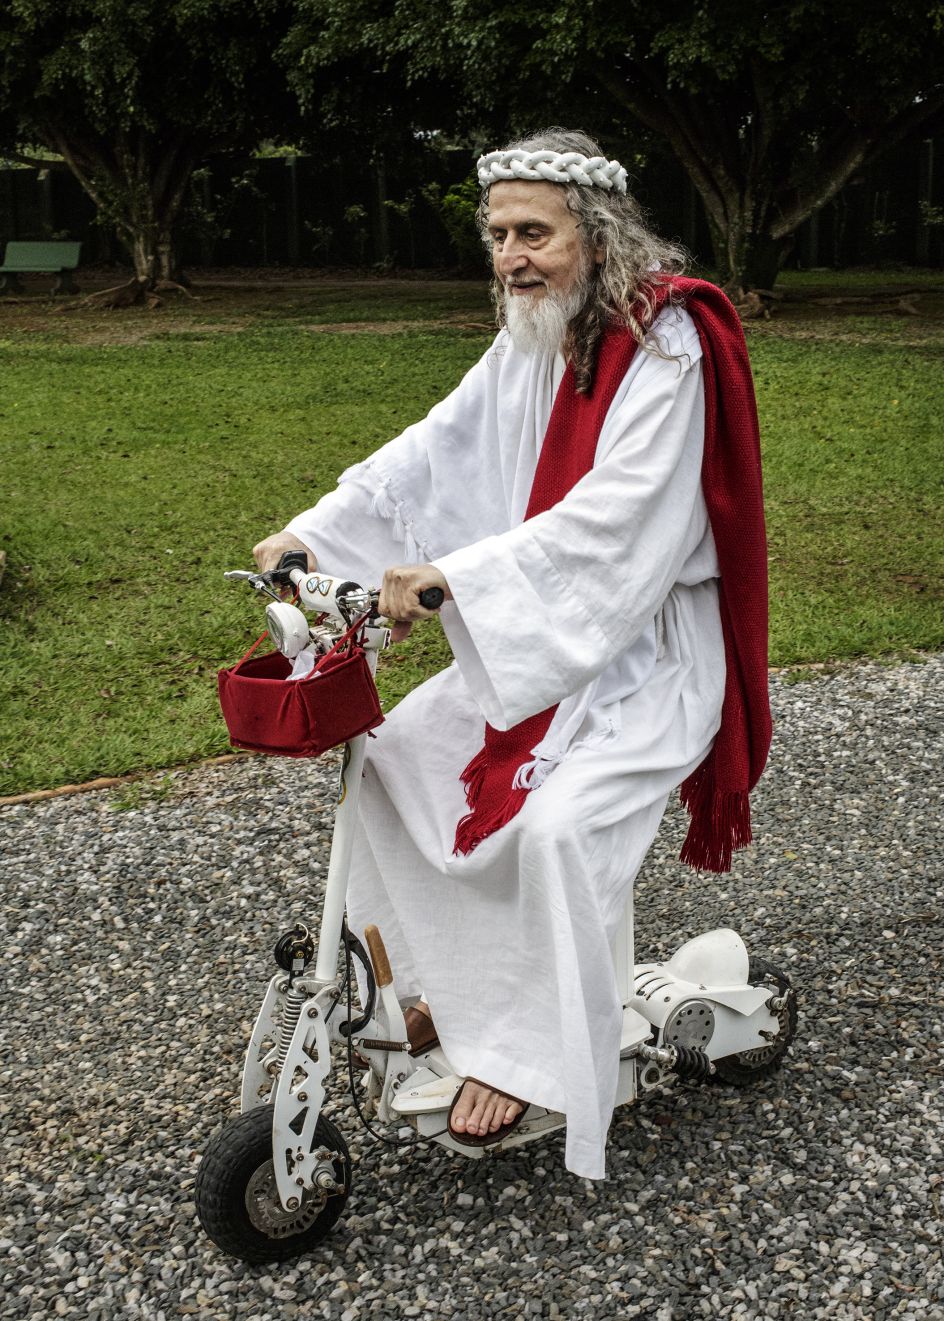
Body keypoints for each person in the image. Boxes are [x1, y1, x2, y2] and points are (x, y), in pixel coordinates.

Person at [253, 128, 770, 1180]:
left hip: (646, 661)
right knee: (391, 762)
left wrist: (457, 578)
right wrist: (311, 535)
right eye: (497, 235)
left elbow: (620, 522)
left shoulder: (664, 346)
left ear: (598, 236)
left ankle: (532, 1057)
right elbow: (433, 450)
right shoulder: (536, 337)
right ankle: (443, 995)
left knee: (558, 831)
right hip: (536, 641)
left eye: (533, 233)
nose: (510, 257)